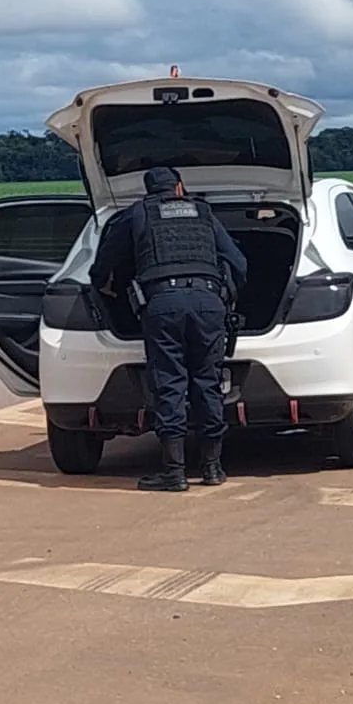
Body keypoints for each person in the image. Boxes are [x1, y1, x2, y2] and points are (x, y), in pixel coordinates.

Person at [90, 166, 247, 491]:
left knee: (170, 383)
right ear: (179, 187)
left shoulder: (136, 215)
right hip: (208, 302)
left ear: (147, 191)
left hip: (162, 305)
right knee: (208, 380)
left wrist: (106, 288)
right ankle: (213, 468)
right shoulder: (204, 213)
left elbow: (104, 264)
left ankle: (174, 473)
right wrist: (227, 293)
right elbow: (239, 263)